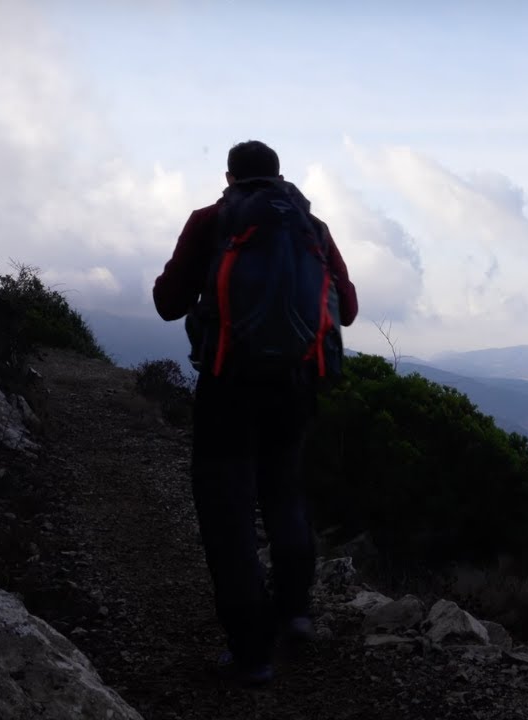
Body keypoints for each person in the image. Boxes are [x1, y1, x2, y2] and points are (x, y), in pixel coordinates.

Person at [152, 140, 358, 684]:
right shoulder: (312, 227)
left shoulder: (211, 220)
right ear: (279, 176)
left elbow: (167, 303)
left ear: (229, 177)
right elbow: (351, 310)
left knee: (228, 514)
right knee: (286, 494)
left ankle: (251, 653)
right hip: (295, 387)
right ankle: (295, 614)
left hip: (229, 387)